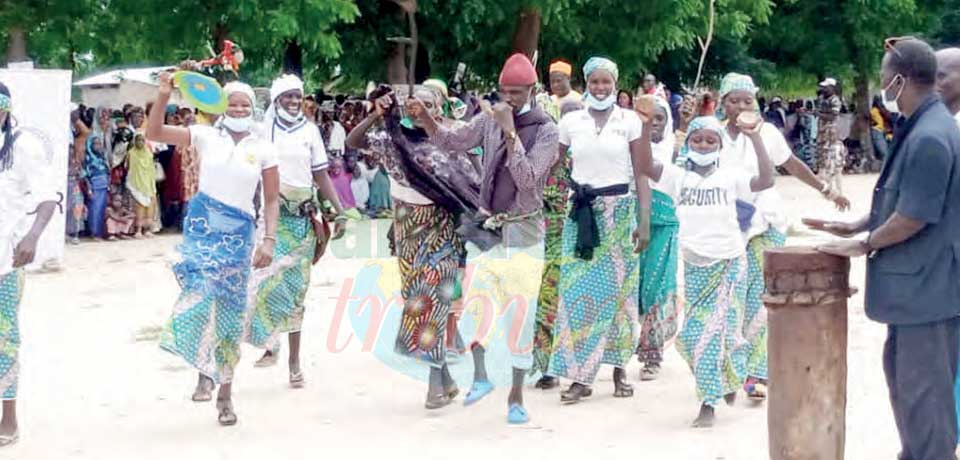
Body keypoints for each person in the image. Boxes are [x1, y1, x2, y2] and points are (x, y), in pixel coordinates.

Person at [808, 37, 960, 459]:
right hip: (916, 294)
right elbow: (904, 198)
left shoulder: (931, 134)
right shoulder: (922, 124)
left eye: (883, 77)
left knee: (926, 404)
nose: (881, 86)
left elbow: (913, 217)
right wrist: (857, 222)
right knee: (909, 393)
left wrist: (864, 243)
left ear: (901, 80)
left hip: (927, 294)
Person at [410, 53, 558, 424]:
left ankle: (517, 396)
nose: (509, 99)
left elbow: (527, 180)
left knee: (520, 315)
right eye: (505, 92)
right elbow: (452, 140)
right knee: (476, 302)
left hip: (524, 228)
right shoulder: (489, 118)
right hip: (489, 226)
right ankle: (480, 376)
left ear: (533, 90)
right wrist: (426, 119)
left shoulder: (546, 130)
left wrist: (510, 133)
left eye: (518, 93)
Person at [148, 73, 280, 426]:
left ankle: (225, 391)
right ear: (223, 106)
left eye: (245, 104)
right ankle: (202, 367)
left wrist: (268, 240)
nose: (238, 108)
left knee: (230, 313)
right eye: (233, 103)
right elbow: (154, 134)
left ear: (253, 109)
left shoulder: (263, 147)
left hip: (240, 234)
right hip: (204, 228)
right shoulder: (205, 135)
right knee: (201, 295)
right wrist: (163, 94)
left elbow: (270, 200)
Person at [633, 111, 774, 427]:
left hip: (729, 264)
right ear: (688, 143)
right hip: (695, 266)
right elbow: (643, 165)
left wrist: (755, 137)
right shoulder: (676, 176)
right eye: (697, 139)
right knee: (694, 335)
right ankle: (726, 378)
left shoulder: (731, 175)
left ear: (720, 146)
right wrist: (644, 127)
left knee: (720, 332)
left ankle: (708, 403)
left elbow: (766, 179)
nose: (704, 144)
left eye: (711, 140)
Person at [347, 83, 481, 409]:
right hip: (407, 229)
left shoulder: (451, 141)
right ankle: (445, 377)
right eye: (414, 103)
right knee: (418, 300)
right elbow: (353, 142)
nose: (419, 108)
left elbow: (475, 179)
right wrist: (377, 114)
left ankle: (434, 385)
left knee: (432, 298)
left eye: (428, 103)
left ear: (438, 109)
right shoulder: (394, 142)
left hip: (443, 230)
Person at [717, 73, 850, 402]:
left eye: (747, 100)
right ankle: (730, 369)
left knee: (761, 296)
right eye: (734, 100)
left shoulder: (768, 133)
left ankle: (758, 372)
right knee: (732, 297)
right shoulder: (713, 135)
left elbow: (792, 165)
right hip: (726, 226)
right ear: (723, 104)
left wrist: (826, 189)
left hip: (766, 222)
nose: (741, 106)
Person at [546, 57, 646, 404]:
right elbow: (554, 166)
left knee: (620, 296)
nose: (600, 88)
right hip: (580, 214)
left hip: (619, 213)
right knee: (575, 295)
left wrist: (643, 223)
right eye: (594, 82)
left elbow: (642, 173)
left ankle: (619, 371)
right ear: (586, 83)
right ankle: (580, 377)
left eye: (606, 82)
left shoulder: (630, 121)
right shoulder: (571, 120)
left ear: (616, 84)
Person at [248, 74, 347, 385]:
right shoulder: (264, 130)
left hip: (303, 219)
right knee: (264, 280)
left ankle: (294, 362)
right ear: (276, 100)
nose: (293, 101)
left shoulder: (310, 131)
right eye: (287, 97)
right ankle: (270, 343)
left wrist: (340, 210)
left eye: (297, 96)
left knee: (296, 290)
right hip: (273, 220)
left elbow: (321, 175)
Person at [0, 81, 59, 446]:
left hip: (4, 261)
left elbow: (48, 197)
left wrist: (32, 237)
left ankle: (8, 419)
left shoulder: (22, 147)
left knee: (4, 339)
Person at [530, 99, 581, 390]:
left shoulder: (590, 156)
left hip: (582, 241)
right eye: (567, 117)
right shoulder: (547, 154)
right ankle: (547, 366)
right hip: (548, 241)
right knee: (547, 300)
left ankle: (577, 365)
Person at [635, 96, 681, 381]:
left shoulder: (677, 150)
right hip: (632, 224)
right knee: (629, 289)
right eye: (648, 119)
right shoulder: (626, 146)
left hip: (664, 226)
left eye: (660, 119)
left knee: (657, 288)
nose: (653, 125)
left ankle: (652, 354)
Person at [816, 78, 846, 194]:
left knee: (833, 163)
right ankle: (830, 189)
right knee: (825, 161)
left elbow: (833, 116)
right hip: (824, 135)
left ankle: (837, 190)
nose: (823, 89)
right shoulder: (824, 100)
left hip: (831, 135)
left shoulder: (835, 100)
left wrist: (818, 114)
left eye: (826, 87)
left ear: (832, 87)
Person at [125, 132, 157, 238]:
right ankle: (137, 230)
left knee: (149, 206)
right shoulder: (131, 153)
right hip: (136, 183)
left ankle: (147, 229)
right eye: (138, 140)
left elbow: (152, 169)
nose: (140, 142)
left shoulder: (148, 153)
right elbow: (127, 167)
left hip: (148, 183)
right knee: (139, 207)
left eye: (143, 140)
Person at [83, 134, 110, 240]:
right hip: (94, 187)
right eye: (95, 144)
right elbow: (86, 175)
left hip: (104, 186)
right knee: (94, 210)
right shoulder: (88, 158)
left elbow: (107, 171)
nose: (98, 146)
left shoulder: (102, 157)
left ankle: (100, 232)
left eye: (99, 144)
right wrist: (89, 189)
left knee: (102, 210)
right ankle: (94, 233)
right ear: (90, 145)